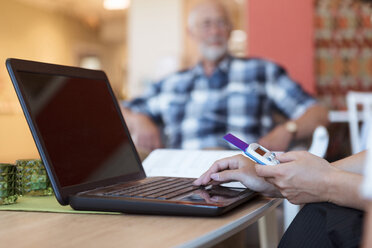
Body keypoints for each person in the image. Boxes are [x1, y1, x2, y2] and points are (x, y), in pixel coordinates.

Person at [121, 0, 328, 153]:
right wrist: (138, 119)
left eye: (221, 24)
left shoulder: (262, 71)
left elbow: (318, 113)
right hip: (182, 177)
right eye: (206, 24)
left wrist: (288, 130)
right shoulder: (171, 83)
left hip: (245, 172)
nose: (215, 31)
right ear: (191, 33)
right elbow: (118, 109)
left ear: (230, 31)